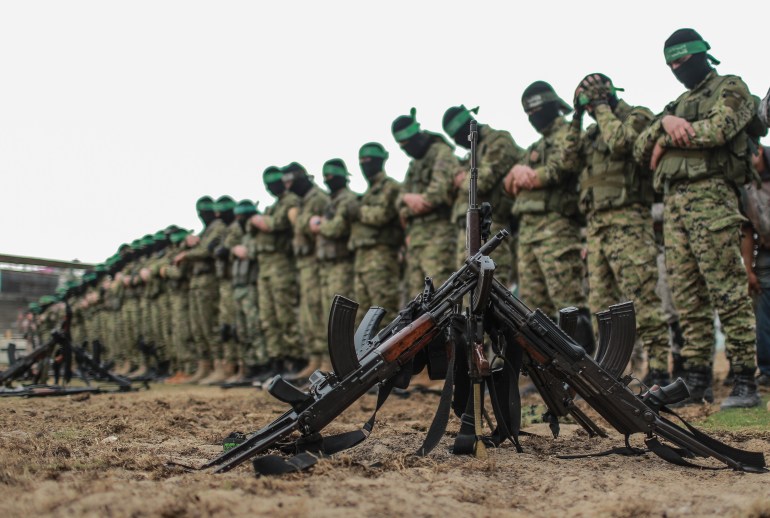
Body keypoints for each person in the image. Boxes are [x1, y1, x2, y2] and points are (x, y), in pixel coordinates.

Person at [634, 28, 761, 408]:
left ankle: (744, 382)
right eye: (670, 63)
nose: (677, 68)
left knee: (728, 293)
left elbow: (720, 129)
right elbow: (641, 149)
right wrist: (662, 124)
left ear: (701, 54)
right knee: (688, 300)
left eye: (683, 61)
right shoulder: (678, 102)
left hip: (712, 200)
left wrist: (668, 136)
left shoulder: (730, 86)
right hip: (675, 208)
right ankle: (695, 380)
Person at [565, 73, 669, 384]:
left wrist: (600, 107)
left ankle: (661, 367)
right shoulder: (592, 132)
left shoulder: (636, 116)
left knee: (641, 295)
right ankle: (609, 372)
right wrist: (575, 117)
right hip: (597, 225)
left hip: (629, 219)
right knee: (601, 304)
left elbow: (622, 143)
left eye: (596, 95)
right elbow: (567, 161)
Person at [503, 81, 594, 353]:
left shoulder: (569, 134)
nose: (533, 117)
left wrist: (531, 176)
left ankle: (583, 369)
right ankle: (548, 373)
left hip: (557, 227)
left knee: (567, 300)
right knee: (534, 307)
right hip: (529, 232)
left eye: (538, 110)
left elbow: (561, 168)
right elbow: (511, 184)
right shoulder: (534, 146)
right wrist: (518, 174)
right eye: (528, 113)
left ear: (554, 106)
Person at [442, 104, 523, 286]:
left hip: (490, 230)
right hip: (467, 233)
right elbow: (447, 191)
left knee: (491, 290)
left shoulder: (499, 140)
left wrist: (462, 179)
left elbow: (481, 182)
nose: (457, 142)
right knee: (465, 291)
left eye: (457, 136)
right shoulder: (473, 153)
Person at [392, 108, 458, 296]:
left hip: (439, 239)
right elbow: (399, 202)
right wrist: (408, 199)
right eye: (401, 145)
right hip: (416, 242)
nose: (405, 149)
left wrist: (413, 203)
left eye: (406, 143)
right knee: (418, 302)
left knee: (441, 297)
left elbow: (436, 195)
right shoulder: (414, 165)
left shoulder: (441, 153)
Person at [250, 166, 302, 378]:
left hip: (281, 265)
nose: (270, 187)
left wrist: (260, 221)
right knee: (268, 318)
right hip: (265, 268)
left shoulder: (290, 201)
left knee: (285, 314)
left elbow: (278, 224)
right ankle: (277, 360)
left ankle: (295, 360)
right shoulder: (273, 206)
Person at [309, 158, 359, 369]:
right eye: (325, 176)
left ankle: (347, 365)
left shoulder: (347, 199)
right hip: (326, 266)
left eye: (331, 175)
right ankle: (328, 364)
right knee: (324, 315)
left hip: (341, 265)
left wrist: (320, 224)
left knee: (341, 318)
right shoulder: (331, 201)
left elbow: (337, 228)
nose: (328, 180)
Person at [283, 162, 330, 377]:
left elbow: (314, 228)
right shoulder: (302, 202)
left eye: (291, 181)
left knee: (321, 312)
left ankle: (327, 361)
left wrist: (297, 219)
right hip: (305, 265)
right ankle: (315, 359)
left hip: (317, 262)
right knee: (309, 316)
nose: (288, 186)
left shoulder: (317, 198)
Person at [349, 142, 404, 323]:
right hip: (362, 260)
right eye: (361, 161)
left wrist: (358, 211)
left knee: (384, 315)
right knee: (363, 319)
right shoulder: (366, 194)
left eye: (368, 160)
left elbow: (381, 215)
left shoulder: (390, 187)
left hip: (381, 257)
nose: (364, 164)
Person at [174, 196, 225, 384]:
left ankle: (220, 366)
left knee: (210, 325)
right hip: (197, 284)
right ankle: (205, 367)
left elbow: (206, 251)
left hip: (208, 281)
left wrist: (187, 253)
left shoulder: (217, 227)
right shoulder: (205, 232)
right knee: (198, 328)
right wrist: (186, 246)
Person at [742, 144, 770, 386]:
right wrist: (748, 269)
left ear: (758, 151)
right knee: (762, 311)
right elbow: (748, 230)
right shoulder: (746, 184)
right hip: (765, 252)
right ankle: (767, 371)